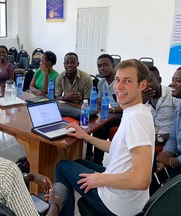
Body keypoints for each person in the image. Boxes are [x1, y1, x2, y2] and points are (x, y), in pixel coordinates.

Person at [56, 59, 155, 216]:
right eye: (117, 80)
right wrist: (85, 136)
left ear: (142, 85)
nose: (119, 87)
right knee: (78, 162)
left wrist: (101, 179)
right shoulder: (139, 111)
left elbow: (141, 180)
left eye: (127, 81)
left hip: (118, 204)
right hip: (129, 197)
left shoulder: (136, 119)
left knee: (62, 166)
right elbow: (116, 147)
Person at [151, 65, 181, 194]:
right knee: (146, 171)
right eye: (173, 80)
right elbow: (173, 138)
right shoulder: (180, 107)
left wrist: (171, 162)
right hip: (180, 161)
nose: (172, 84)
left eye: (178, 81)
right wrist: (165, 157)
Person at [86, 54, 123, 165]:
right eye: (99, 66)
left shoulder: (120, 83)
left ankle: (97, 162)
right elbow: (98, 100)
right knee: (88, 121)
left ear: (114, 66)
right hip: (107, 112)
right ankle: (87, 156)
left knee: (100, 128)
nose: (102, 68)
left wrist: (110, 109)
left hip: (120, 114)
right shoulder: (101, 82)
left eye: (105, 65)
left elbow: (125, 106)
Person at [143, 66, 180, 153]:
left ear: (159, 80)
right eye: (142, 81)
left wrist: (161, 138)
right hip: (151, 138)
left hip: (172, 141)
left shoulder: (173, 95)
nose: (145, 85)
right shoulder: (141, 98)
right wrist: (139, 103)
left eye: (149, 80)